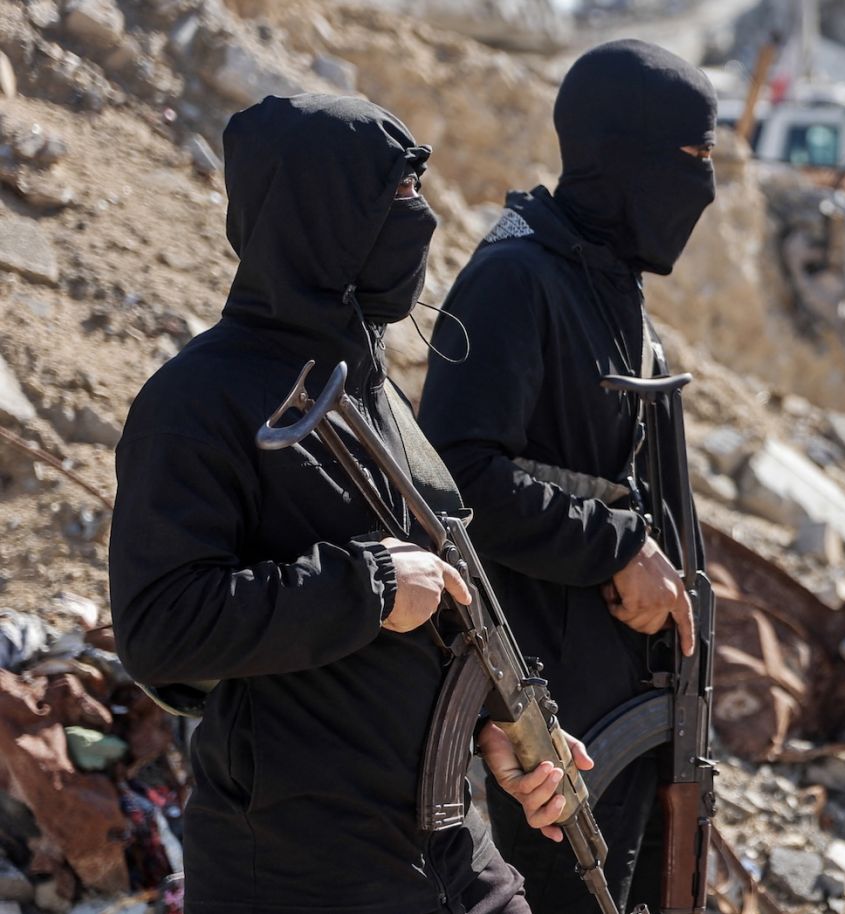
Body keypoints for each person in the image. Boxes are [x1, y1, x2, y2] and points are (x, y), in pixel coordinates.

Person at [109, 94, 587, 914]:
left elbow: (436, 609)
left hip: (444, 843)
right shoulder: (198, 399)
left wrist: (497, 725)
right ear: (319, 213)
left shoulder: (371, 388)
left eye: (416, 189)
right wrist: (365, 586)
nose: (421, 217)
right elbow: (159, 628)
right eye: (395, 193)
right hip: (296, 865)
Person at [417, 40, 712, 914]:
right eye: (690, 157)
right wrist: (617, 548)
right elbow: (457, 480)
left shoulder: (605, 274)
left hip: (633, 696)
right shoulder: (516, 279)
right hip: (551, 717)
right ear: (624, 156)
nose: (703, 186)